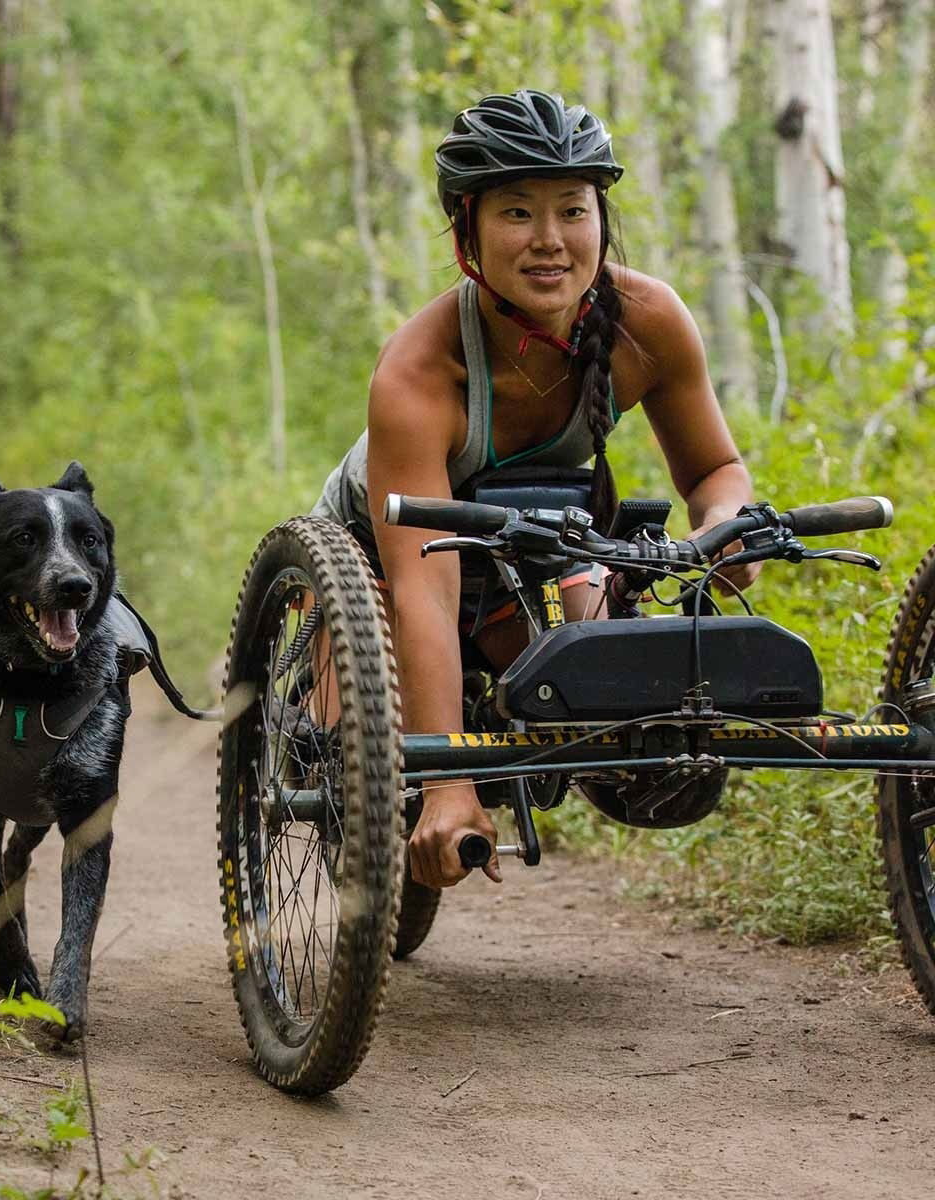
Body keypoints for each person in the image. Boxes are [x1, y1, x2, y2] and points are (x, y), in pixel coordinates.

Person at [311, 89, 759, 890]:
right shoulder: (419, 369)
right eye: (517, 213)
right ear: (467, 232)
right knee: (366, 785)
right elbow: (423, 587)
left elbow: (713, 473)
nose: (550, 241)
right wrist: (444, 782)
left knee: (605, 703)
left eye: (572, 211)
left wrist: (724, 527)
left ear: (600, 218)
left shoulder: (649, 319)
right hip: (384, 563)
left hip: (531, 551)